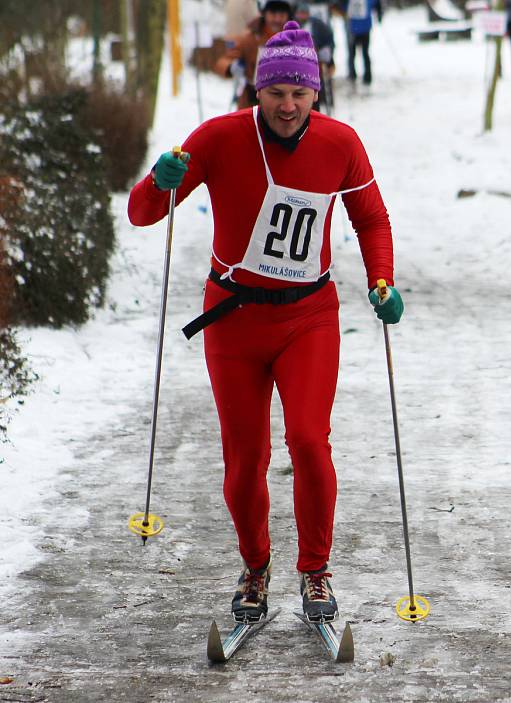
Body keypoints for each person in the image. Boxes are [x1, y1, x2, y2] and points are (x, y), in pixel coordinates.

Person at [128, 21, 403, 624]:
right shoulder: (221, 137)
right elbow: (143, 212)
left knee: (308, 440)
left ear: (316, 93)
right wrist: (160, 180)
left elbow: (372, 220)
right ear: (259, 92)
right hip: (234, 320)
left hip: (308, 316)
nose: (287, 105)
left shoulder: (341, 143)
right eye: (276, 92)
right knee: (243, 458)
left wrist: (381, 278)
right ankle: (255, 568)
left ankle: (316, 572)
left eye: (299, 93)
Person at [214, 0, 293, 109]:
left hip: (287, 103)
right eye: (273, 14)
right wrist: (231, 67)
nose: (277, 19)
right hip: (252, 100)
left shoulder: (297, 40)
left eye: (281, 15)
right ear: (265, 14)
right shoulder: (249, 38)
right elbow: (222, 62)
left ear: (288, 16)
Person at [293, 1, 336, 112]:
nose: (302, 16)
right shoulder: (292, 25)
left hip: (316, 63)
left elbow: (329, 38)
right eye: (300, 13)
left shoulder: (317, 24)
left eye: (304, 13)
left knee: (315, 91)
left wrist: (327, 51)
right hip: (297, 64)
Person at [343, 0, 382, 86]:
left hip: (362, 29)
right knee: (353, 53)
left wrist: (379, 14)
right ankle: (353, 74)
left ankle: (366, 76)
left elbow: (376, 4)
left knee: (364, 53)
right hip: (353, 29)